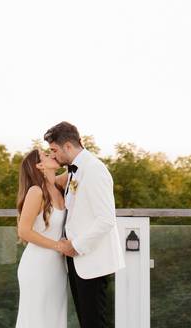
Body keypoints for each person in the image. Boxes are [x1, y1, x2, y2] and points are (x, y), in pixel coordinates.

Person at [46, 121, 125, 328]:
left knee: (94, 323)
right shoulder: (74, 170)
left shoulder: (94, 170)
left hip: (91, 260)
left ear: (68, 147)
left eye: (54, 150)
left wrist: (75, 246)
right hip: (77, 261)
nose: (53, 156)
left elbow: (106, 219)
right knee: (86, 322)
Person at [15, 148, 68, 327]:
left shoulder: (58, 186)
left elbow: (78, 165)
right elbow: (24, 231)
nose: (52, 155)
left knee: (54, 318)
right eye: (46, 154)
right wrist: (58, 246)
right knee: (37, 319)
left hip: (57, 266)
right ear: (39, 165)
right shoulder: (36, 192)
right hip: (37, 266)